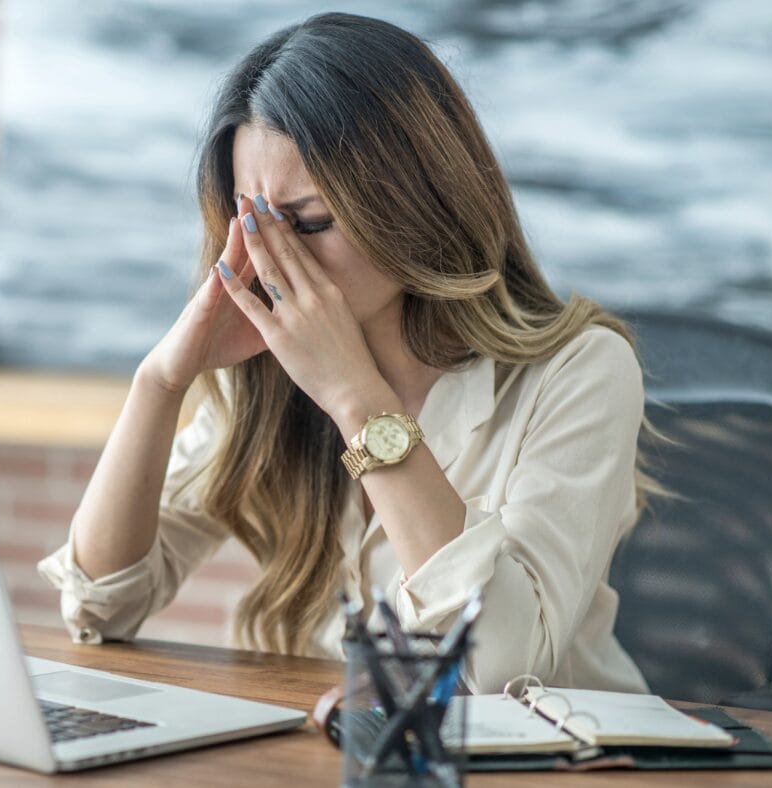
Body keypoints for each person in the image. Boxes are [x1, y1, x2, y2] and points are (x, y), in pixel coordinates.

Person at [39, 11, 651, 694]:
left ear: (417, 202)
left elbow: (499, 669)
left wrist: (354, 399)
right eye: (253, 223)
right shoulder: (266, 377)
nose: (276, 257)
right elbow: (100, 607)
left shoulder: (581, 372)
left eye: (311, 222)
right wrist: (160, 382)